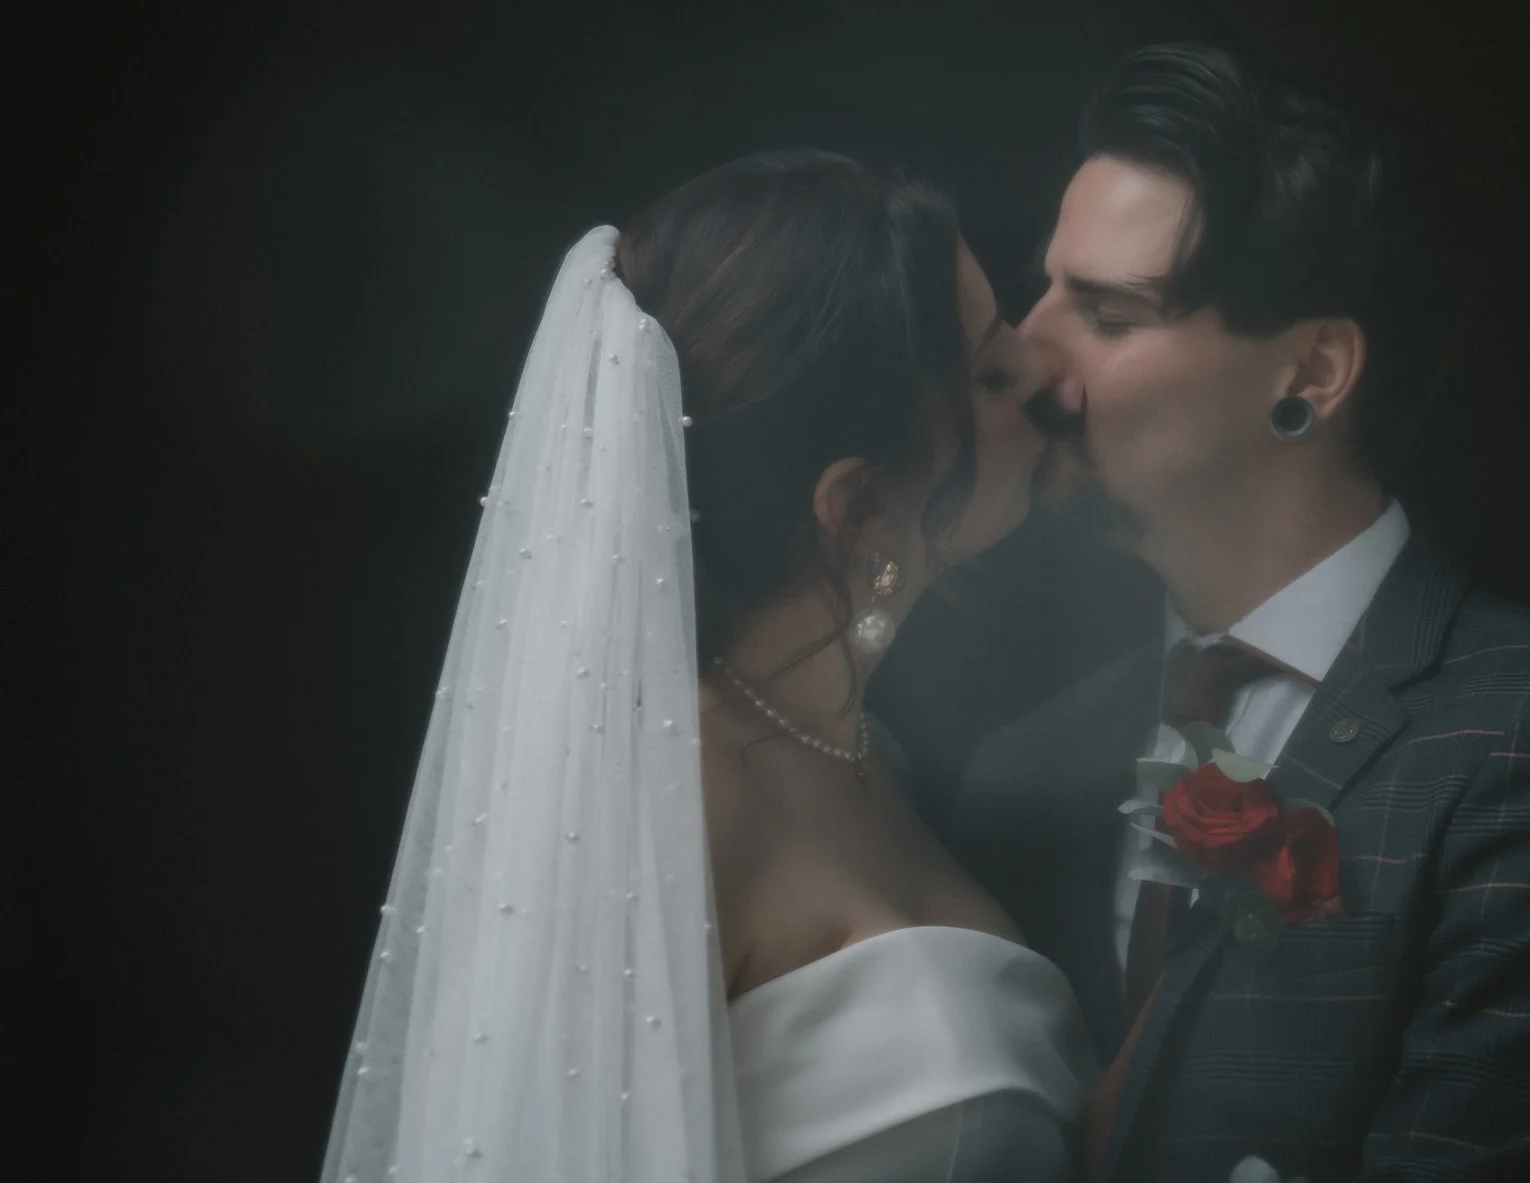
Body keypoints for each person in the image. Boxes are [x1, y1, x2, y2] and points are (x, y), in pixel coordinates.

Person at [948, 45, 1530, 1182]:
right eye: (1043, 288)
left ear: (1309, 373)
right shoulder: (1016, 770)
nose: (1026, 351)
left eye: (1107, 315)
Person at [321, 149, 1096, 1183]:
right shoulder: (663, 810)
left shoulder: (864, 751)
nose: (1042, 374)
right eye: (990, 373)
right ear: (858, 508)